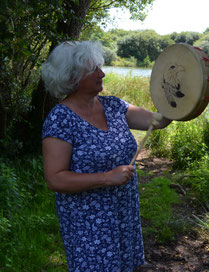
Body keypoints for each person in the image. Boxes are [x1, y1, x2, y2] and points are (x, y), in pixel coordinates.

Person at [41, 40, 171, 271]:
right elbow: (55, 178)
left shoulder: (113, 106)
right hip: (89, 224)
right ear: (72, 78)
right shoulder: (61, 118)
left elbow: (158, 120)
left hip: (123, 213)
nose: (102, 73)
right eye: (93, 70)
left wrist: (178, 94)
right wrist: (107, 177)